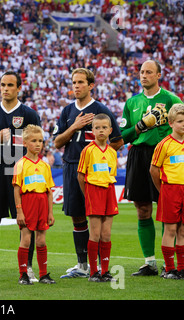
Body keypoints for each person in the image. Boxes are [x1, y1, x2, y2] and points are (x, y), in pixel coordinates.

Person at [119, 60, 184, 276]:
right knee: (143, 210)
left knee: (167, 211)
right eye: (142, 72)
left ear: (158, 75)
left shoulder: (171, 99)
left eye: (149, 72)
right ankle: (150, 263)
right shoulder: (131, 102)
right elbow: (121, 137)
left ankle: (168, 264)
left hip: (165, 156)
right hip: (138, 155)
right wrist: (142, 125)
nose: (144, 75)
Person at [54, 68, 123, 279]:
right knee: (77, 216)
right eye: (74, 82)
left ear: (91, 85)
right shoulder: (67, 111)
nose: (76, 86)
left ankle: (99, 268)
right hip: (72, 165)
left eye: (81, 82)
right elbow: (57, 142)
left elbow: (118, 141)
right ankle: (82, 265)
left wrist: (100, 156)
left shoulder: (101, 110)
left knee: (99, 220)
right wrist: (74, 127)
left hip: (95, 173)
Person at [0, 71, 41, 283]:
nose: (5, 88)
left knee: (26, 223)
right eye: (3, 84)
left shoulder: (29, 114)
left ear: (19, 88)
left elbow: (38, 142)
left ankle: (27, 269)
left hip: (21, 174)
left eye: (10, 85)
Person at [149, 104, 184, 280]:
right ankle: (169, 269)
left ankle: (182, 269)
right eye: (180, 121)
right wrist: (163, 190)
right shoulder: (164, 144)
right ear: (171, 123)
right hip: (170, 189)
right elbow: (154, 170)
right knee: (170, 229)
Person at [77, 113, 119, 282]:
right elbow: (81, 176)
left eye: (104, 127)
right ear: (92, 130)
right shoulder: (88, 150)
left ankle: (105, 271)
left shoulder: (112, 152)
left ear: (110, 130)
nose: (101, 130)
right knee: (95, 234)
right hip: (94, 192)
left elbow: (112, 174)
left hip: (109, 191)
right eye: (97, 127)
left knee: (106, 234)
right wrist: (87, 194)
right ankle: (93, 272)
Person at [12, 124, 55, 285]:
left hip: (42, 204)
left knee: (41, 241)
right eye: (33, 141)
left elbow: (49, 191)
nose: (38, 144)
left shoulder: (45, 165)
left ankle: (43, 274)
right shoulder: (21, 164)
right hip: (28, 203)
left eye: (40, 141)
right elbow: (17, 190)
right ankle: (23, 274)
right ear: (24, 143)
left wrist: (50, 212)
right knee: (26, 240)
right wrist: (19, 211)